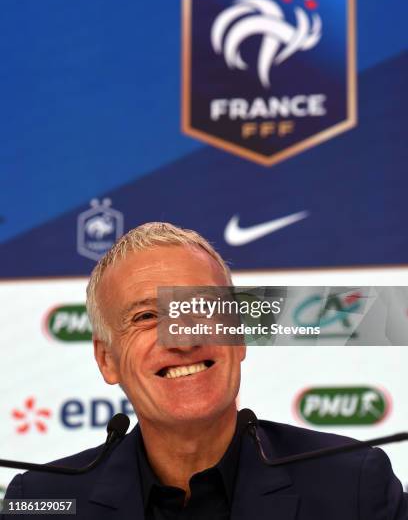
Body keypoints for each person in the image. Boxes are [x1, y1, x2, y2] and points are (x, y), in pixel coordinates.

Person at [3, 222, 407, 519]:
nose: (181, 339)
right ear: (107, 360)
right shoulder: (42, 501)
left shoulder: (351, 485)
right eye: (146, 316)